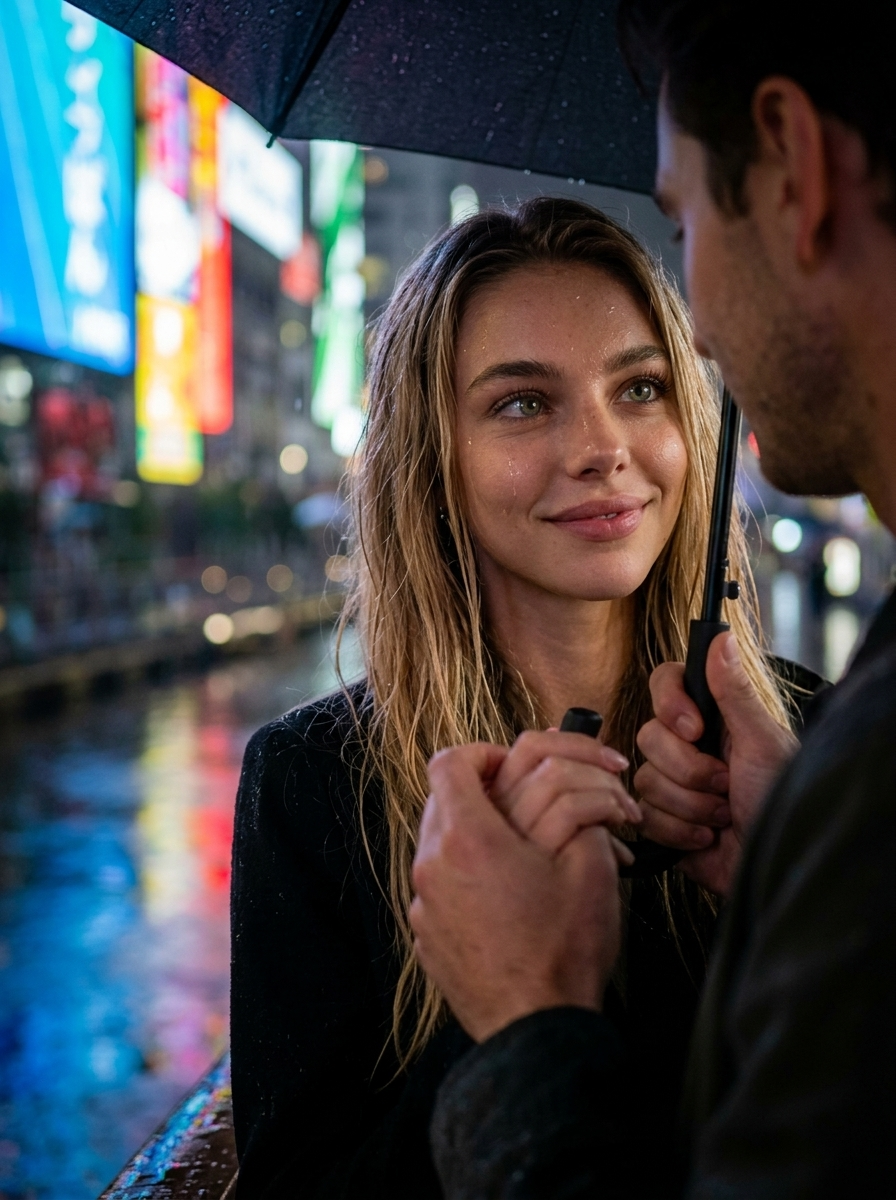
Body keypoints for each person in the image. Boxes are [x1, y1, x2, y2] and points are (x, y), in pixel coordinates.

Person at [229, 197, 821, 1197]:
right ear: (433, 461)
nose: (601, 447)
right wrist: (499, 1001)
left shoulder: (810, 749)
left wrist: (798, 892)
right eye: (521, 403)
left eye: (638, 387)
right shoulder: (311, 785)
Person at [413, 3, 896, 1197]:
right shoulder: (816, 782)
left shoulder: (847, 757)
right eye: (521, 403)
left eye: (680, 220)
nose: (602, 449)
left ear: (789, 167)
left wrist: (528, 1032)